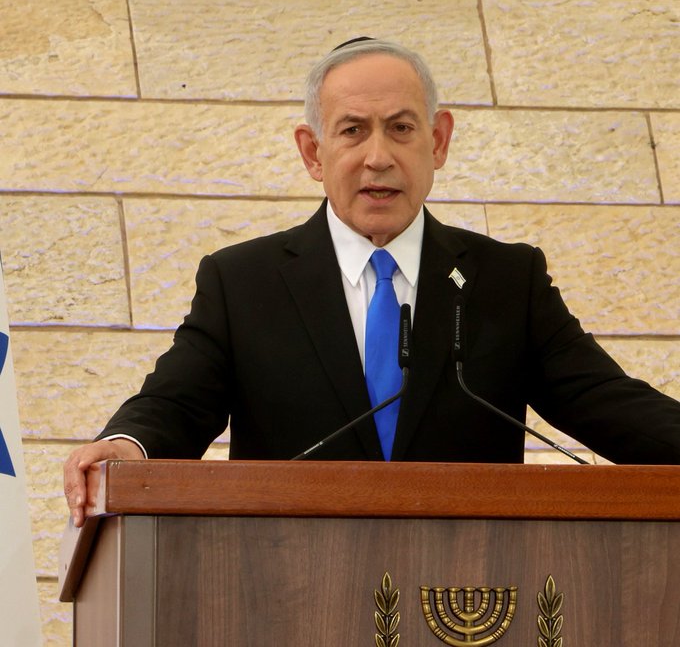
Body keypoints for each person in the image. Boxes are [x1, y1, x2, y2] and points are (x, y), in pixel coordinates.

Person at [64, 38, 680, 526]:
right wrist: (127, 446)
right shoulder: (244, 282)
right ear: (314, 152)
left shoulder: (506, 281)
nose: (378, 156)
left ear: (438, 141)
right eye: (353, 130)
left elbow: (608, 403)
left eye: (402, 128)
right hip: (289, 590)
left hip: (470, 597)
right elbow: (175, 404)